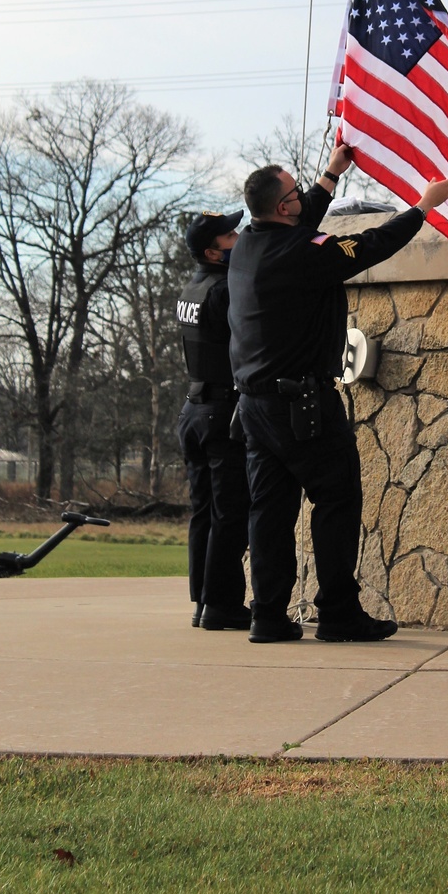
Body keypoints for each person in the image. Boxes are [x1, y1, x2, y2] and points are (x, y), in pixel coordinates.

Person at [228, 146, 448, 644]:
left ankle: (267, 614)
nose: (300, 200)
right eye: (294, 193)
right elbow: (370, 246)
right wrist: (423, 207)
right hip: (301, 406)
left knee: (270, 511)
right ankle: (337, 613)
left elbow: (303, 217)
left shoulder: (248, 245)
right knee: (336, 501)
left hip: (255, 407)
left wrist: (331, 173)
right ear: (283, 207)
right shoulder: (300, 256)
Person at [176, 210, 252, 630]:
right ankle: (221, 605)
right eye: (229, 236)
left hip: (194, 408)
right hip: (221, 410)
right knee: (229, 511)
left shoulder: (193, 287)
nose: (238, 238)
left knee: (204, 511)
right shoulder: (225, 289)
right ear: (211, 251)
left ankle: (203, 601)